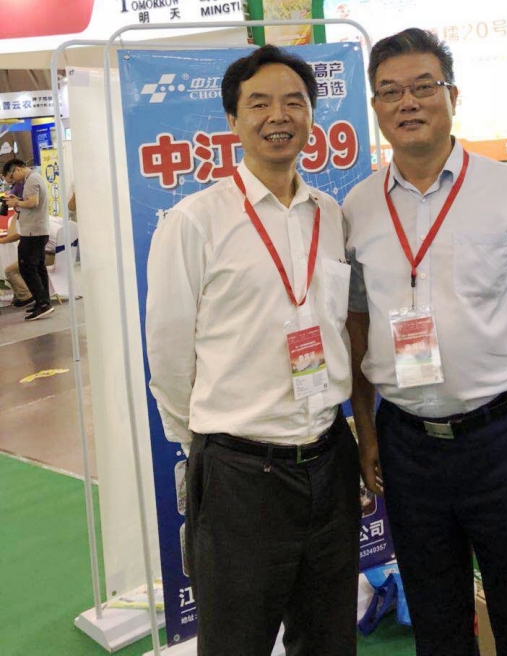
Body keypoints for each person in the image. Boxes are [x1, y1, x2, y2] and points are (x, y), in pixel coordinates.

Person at [344, 28, 507, 656]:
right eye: (390, 91)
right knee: (435, 614)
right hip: (406, 443)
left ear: (452, 95)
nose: (408, 102)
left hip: (504, 437)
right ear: (376, 107)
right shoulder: (358, 206)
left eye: (423, 86)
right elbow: (357, 325)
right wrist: (367, 432)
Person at [146, 45, 360, 656]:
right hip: (241, 475)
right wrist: (209, 444)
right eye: (259, 103)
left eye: (294, 102)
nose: (278, 116)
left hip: (329, 459)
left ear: (311, 116)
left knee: (328, 639)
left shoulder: (330, 214)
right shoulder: (194, 221)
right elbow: (169, 353)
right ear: (233, 120)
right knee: (236, 642)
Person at [2, 159, 52, 320]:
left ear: (17, 169)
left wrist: (16, 202)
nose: (14, 181)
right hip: (37, 231)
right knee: (38, 267)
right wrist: (18, 200)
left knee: (27, 267)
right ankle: (43, 301)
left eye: (12, 176)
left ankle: (42, 303)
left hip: (32, 232)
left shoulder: (31, 180)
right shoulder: (34, 179)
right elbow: (30, 202)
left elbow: (33, 202)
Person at [0, 214, 34, 309]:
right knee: (11, 264)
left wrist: (2, 241)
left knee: (10, 270)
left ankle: (26, 296)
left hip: (37, 255)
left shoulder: (24, 216)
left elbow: (14, 236)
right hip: (45, 253)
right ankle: (21, 293)